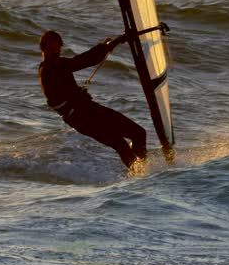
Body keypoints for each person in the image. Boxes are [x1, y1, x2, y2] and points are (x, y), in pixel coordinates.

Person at [38, 29, 148, 170]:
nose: (55, 51)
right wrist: (115, 42)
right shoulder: (48, 69)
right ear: (42, 49)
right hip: (81, 118)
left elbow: (86, 60)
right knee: (124, 142)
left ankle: (142, 172)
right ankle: (140, 174)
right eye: (51, 48)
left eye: (58, 48)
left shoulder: (58, 64)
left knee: (137, 134)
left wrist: (109, 45)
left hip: (87, 111)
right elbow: (85, 60)